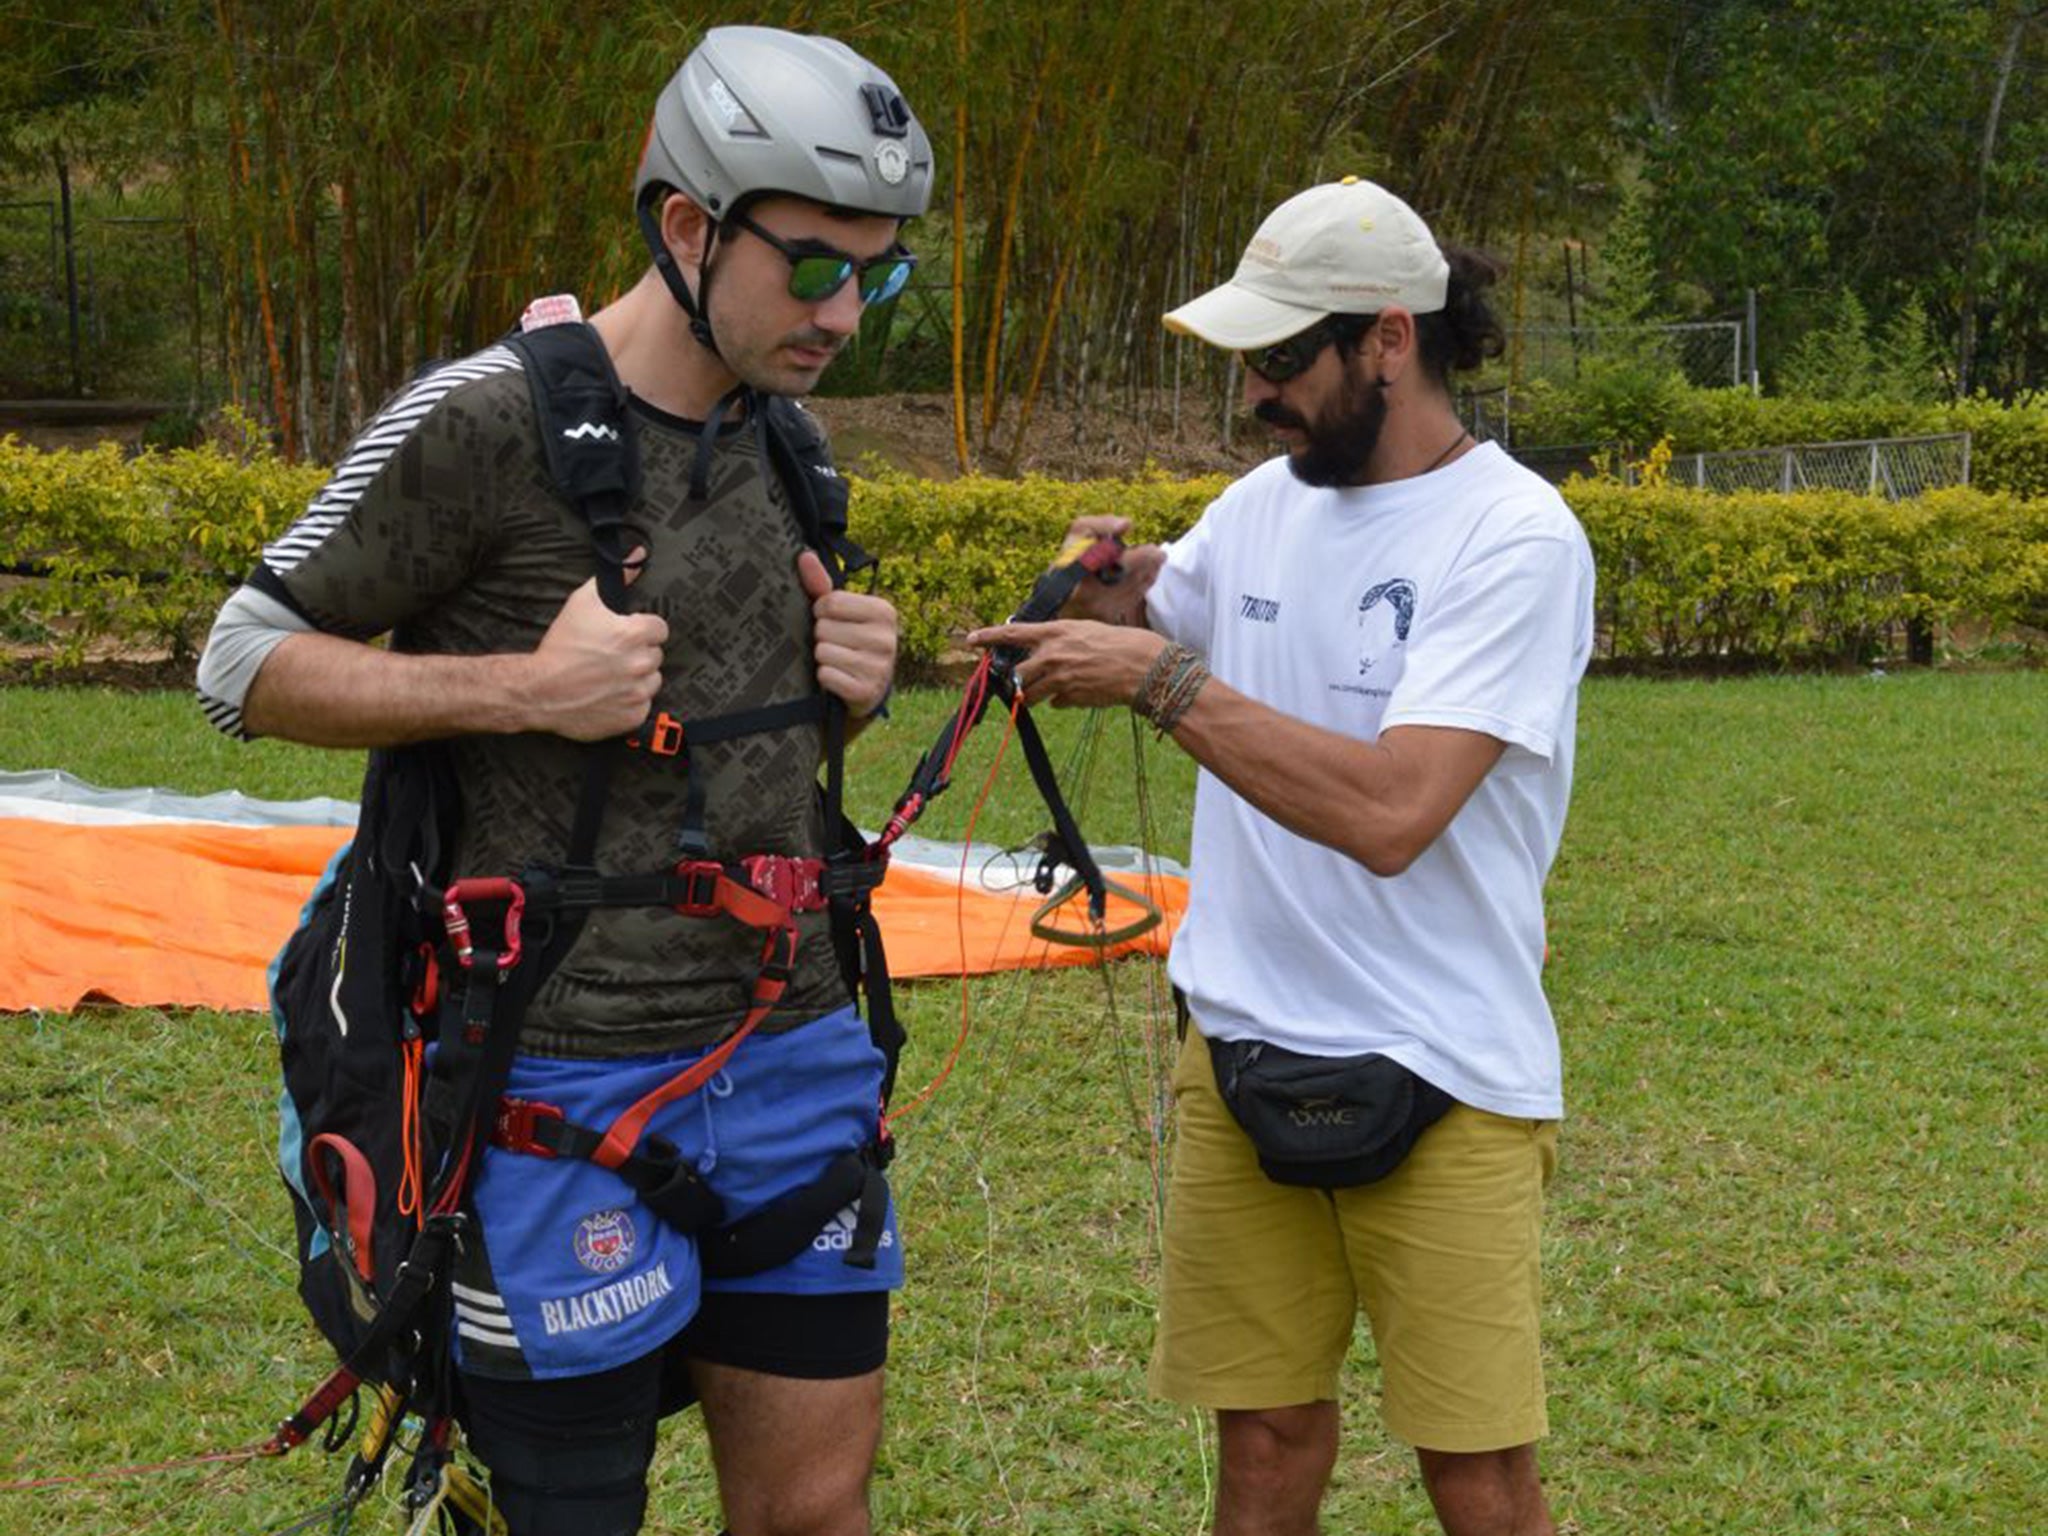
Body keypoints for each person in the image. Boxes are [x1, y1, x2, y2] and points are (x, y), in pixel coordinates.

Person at [196, 27, 933, 1536]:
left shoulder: (794, 447)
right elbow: (239, 657)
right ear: (687, 227)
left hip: (790, 1053)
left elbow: (730, 751)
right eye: (811, 268)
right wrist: (522, 690)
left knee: (818, 1512)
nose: (846, 312)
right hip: (551, 1078)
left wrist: (845, 682)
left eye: (881, 272)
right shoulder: (486, 420)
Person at [970, 178, 1595, 1536]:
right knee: (1259, 1446)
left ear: (1387, 339)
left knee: (1477, 1476)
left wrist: (1159, 679)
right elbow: (1176, 607)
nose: (1254, 393)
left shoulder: (1516, 537)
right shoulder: (1266, 504)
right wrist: (1106, 592)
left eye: (1278, 361)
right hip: (1239, 1045)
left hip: (1448, 1068)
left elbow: (1393, 813)